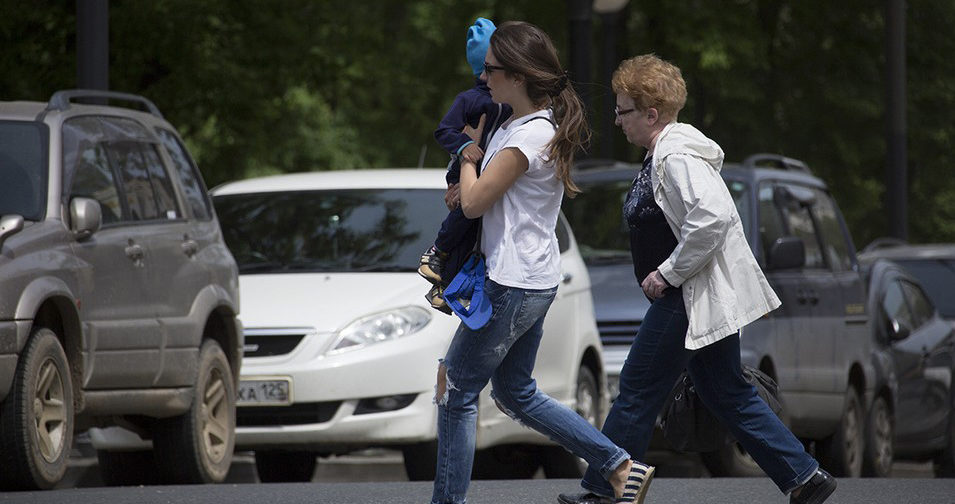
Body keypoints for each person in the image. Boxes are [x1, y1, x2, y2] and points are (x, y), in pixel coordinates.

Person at [557, 54, 837, 504]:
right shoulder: (661, 155)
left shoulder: (676, 156)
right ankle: (806, 476)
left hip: (684, 299)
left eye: (622, 110)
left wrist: (667, 273)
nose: (616, 119)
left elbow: (712, 219)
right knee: (727, 393)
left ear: (651, 113)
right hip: (690, 298)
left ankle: (602, 490)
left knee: (636, 388)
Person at [431, 21, 653, 504]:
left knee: (455, 391)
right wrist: (472, 178)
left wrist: (468, 155)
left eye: (490, 70)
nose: (483, 78)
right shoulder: (518, 124)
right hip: (533, 278)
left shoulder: (527, 136)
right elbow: (484, 200)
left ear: (516, 74)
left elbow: (474, 203)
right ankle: (619, 466)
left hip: (511, 281)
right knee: (515, 393)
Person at [419, 17, 512, 314]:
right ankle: (437, 252)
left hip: (487, 173)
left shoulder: (509, 100)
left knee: (473, 232)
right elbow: (443, 130)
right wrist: (463, 147)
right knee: (465, 216)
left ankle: (445, 286)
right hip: (466, 168)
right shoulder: (471, 99)